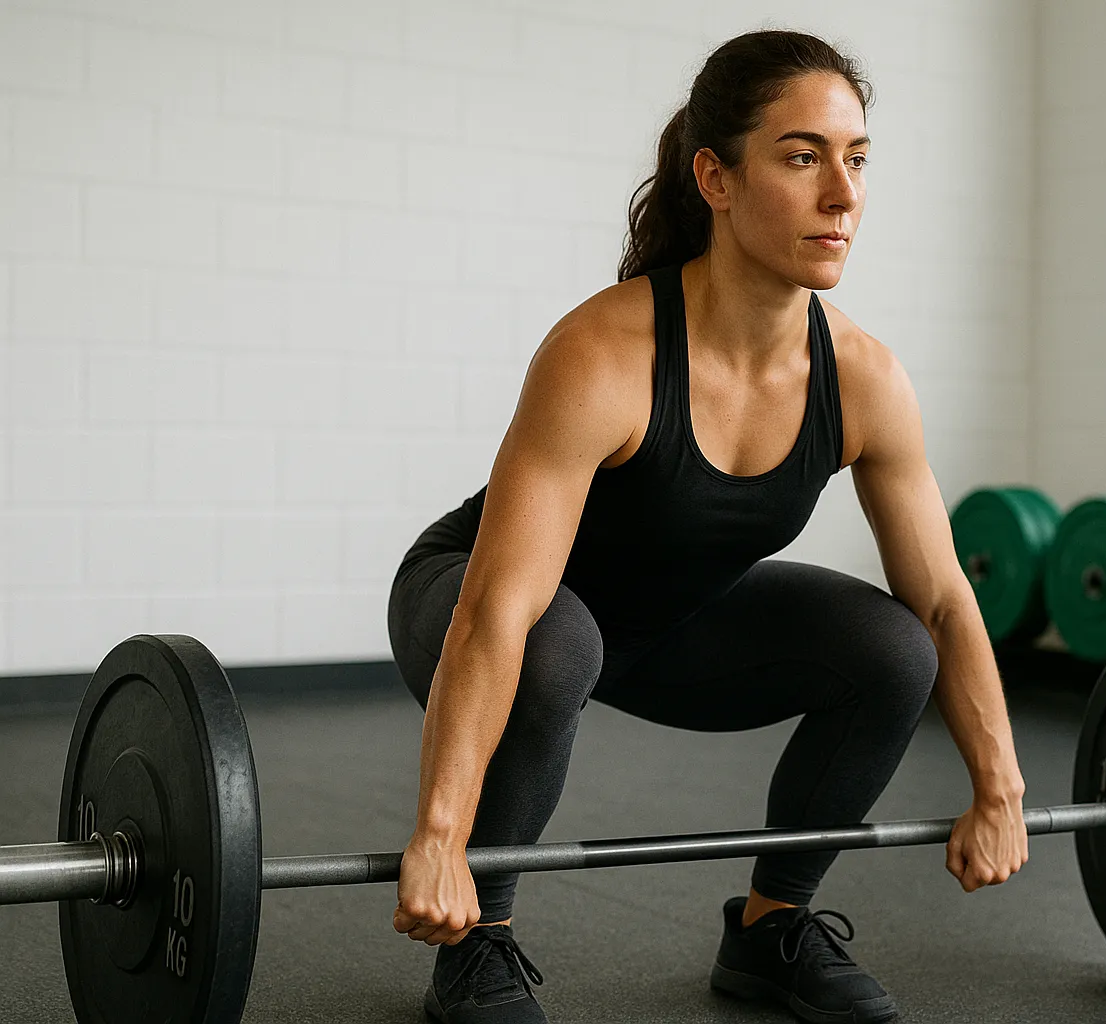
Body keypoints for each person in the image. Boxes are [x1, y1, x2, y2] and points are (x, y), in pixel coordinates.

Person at [385, 27, 1029, 1024]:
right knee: (555, 643)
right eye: (803, 157)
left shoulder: (863, 378)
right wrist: (438, 832)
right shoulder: (606, 353)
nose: (843, 195)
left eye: (857, 159)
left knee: (896, 649)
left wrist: (1000, 790)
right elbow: (498, 612)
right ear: (715, 178)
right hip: (478, 598)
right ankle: (476, 942)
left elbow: (943, 600)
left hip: (668, 625)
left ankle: (773, 927)